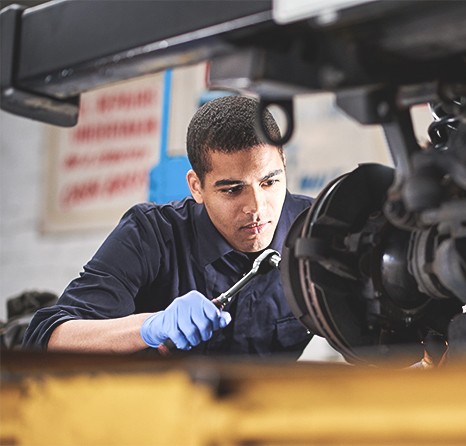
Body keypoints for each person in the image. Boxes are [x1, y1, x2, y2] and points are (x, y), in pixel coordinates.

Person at [23, 95, 314, 358]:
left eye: (269, 182)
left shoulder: (317, 230)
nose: (257, 207)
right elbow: (46, 338)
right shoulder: (150, 234)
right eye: (232, 190)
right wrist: (150, 327)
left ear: (284, 164)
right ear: (196, 187)